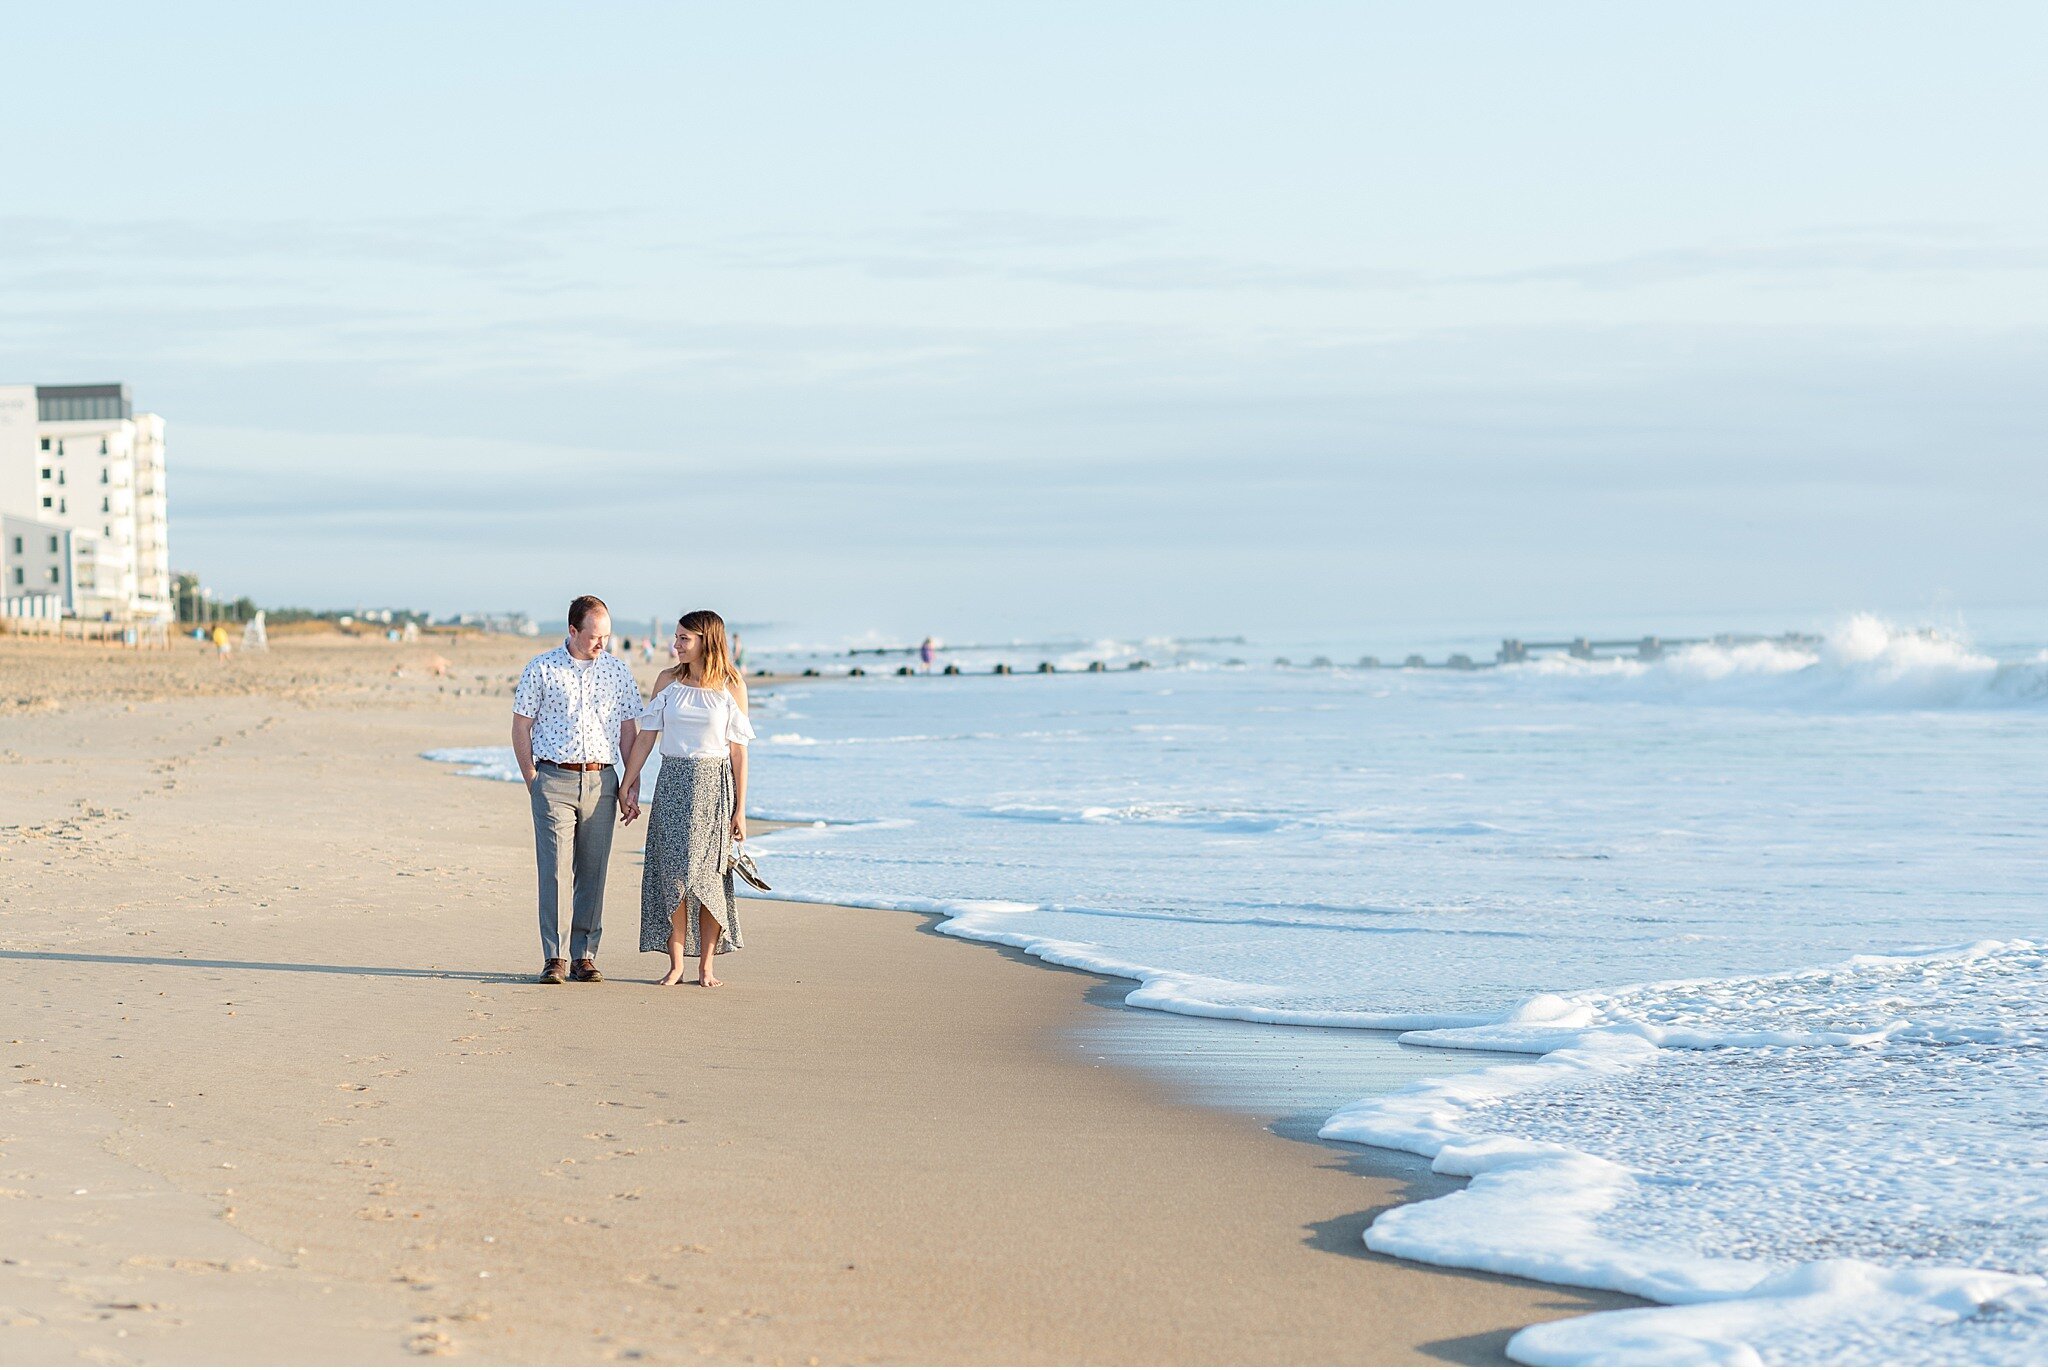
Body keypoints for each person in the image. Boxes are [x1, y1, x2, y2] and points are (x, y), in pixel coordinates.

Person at [512, 595, 644, 984]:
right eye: (594, 636)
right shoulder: (542, 668)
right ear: (572, 630)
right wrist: (531, 779)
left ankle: (584, 955)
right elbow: (521, 725)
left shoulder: (618, 671)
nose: (601, 643)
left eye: (607, 635)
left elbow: (627, 731)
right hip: (553, 780)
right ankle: (554, 958)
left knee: (593, 871)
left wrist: (630, 785)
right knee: (553, 872)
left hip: (603, 780)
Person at [620, 609, 755, 988]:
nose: (675, 645)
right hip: (673, 784)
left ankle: (707, 966)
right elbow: (647, 736)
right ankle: (676, 964)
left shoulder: (732, 685)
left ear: (705, 641)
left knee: (711, 878)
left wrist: (741, 810)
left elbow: (739, 752)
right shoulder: (667, 681)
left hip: (716, 788)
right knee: (674, 876)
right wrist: (627, 783)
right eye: (676, 638)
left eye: (684, 639)